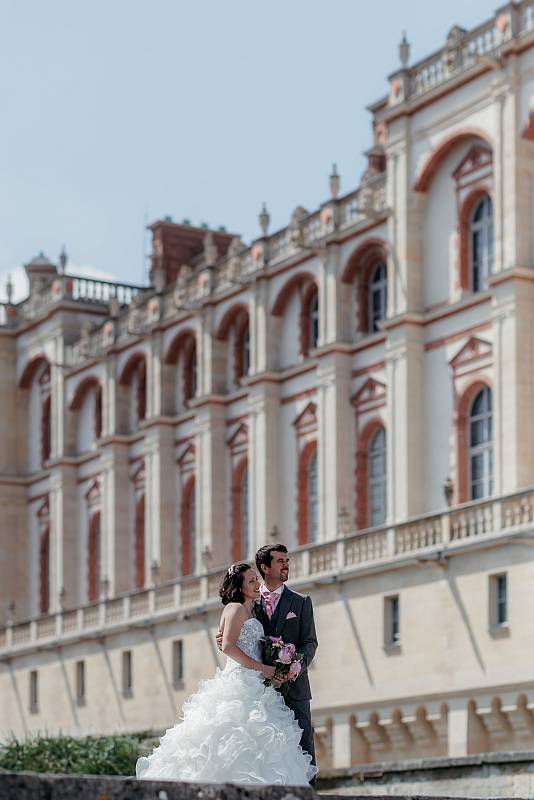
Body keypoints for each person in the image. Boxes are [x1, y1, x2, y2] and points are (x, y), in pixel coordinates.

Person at [136, 562, 317, 785]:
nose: (257, 584)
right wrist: (262, 668)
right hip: (241, 681)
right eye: (251, 581)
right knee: (233, 739)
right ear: (239, 587)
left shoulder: (252, 609)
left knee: (259, 741)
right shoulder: (235, 608)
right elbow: (228, 646)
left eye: (256, 579)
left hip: (258, 682)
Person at [216, 543, 318, 777]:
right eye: (280, 561)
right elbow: (234, 639)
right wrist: (222, 638)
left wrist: (296, 667)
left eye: (287, 561)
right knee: (261, 748)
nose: (286, 565)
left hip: (295, 688)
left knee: (302, 748)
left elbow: (310, 643)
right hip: (261, 687)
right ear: (265, 567)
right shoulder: (249, 602)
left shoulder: (301, 602)